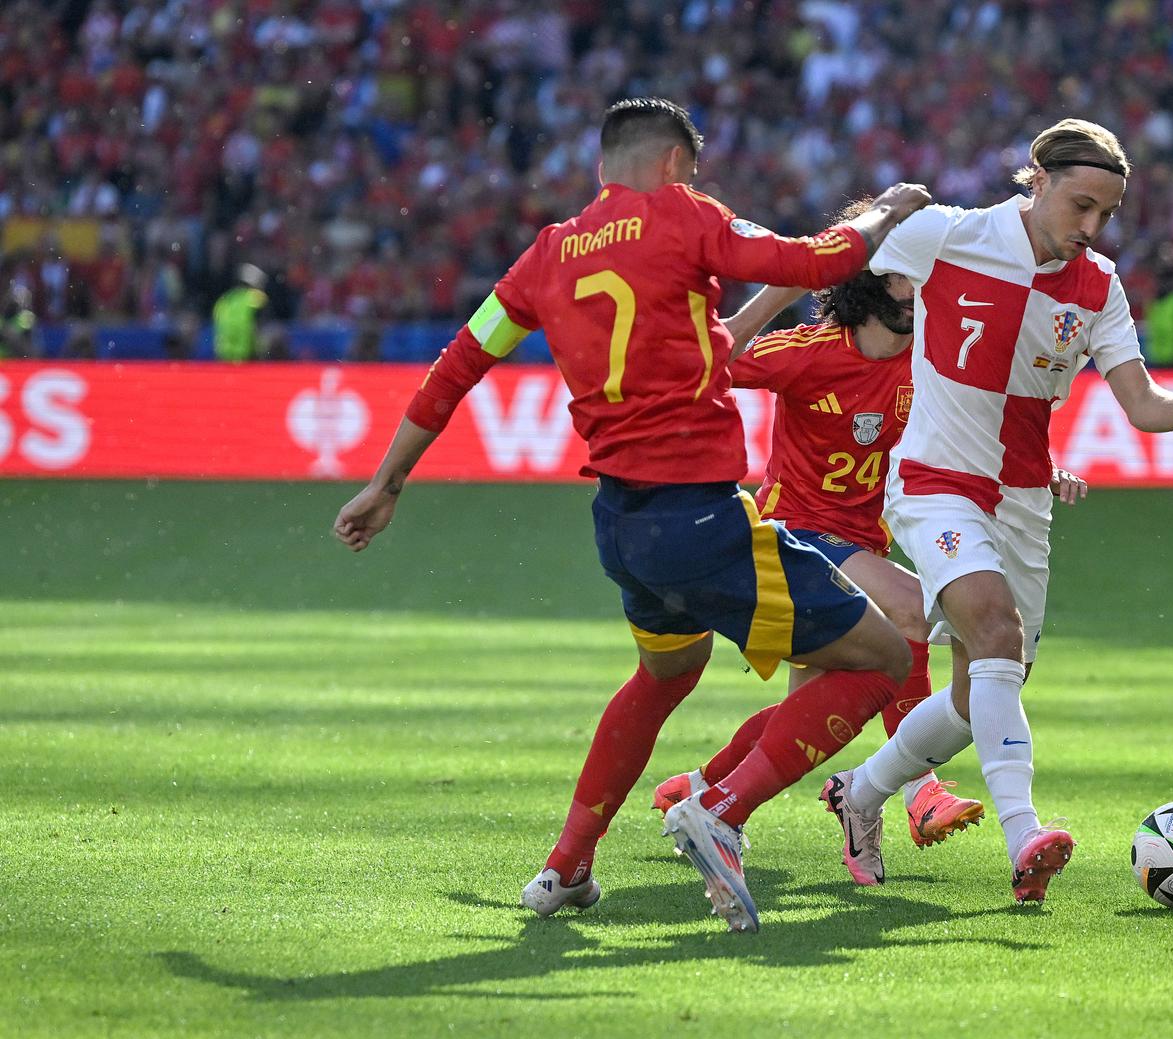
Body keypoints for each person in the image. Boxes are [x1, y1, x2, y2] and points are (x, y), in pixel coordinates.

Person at [332, 98, 929, 933]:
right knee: (885, 657)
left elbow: (460, 360)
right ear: (675, 165)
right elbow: (805, 261)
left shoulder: (546, 255)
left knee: (665, 676)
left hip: (619, 523)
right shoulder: (683, 217)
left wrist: (387, 480)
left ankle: (565, 867)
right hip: (701, 517)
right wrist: (888, 212)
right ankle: (720, 808)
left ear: (600, 168)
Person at [817, 117, 1173, 903]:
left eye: (1105, 214)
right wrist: (743, 323)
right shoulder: (949, 234)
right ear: (1034, 181)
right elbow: (831, 261)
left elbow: (1138, 401)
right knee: (997, 632)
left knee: (984, 692)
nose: (1090, 227)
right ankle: (1024, 835)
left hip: (1024, 498)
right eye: (1080, 205)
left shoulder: (1098, 285)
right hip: (936, 480)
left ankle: (861, 792)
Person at [649, 226, 1085, 870]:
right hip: (791, 533)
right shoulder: (808, 351)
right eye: (903, 276)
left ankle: (702, 788)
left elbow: (985, 430)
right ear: (869, 281)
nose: (917, 290)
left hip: (864, 542)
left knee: (817, 715)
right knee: (915, 608)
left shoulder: (932, 364)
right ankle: (919, 791)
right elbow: (712, 366)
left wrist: (1039, 468)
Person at [212, 263, 268, 363]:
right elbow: (262, 325)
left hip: (224, 354)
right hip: (246, 354)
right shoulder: (256, 297)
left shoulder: (224, 300)